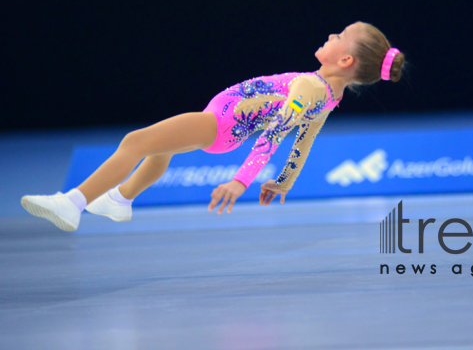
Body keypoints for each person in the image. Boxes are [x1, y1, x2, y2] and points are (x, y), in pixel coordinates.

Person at [21, 21, 407, 231]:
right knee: (160, 149)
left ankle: (72, 203)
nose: (330, 35)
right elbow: (303, 141)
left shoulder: (309, 87)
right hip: (224, 125)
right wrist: (284, 181)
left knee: (135, 141)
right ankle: (121, 199)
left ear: (346, 61)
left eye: (339, 36)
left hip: (220, 124)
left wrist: (240, 181)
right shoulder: (328, 95)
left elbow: (275, 134)